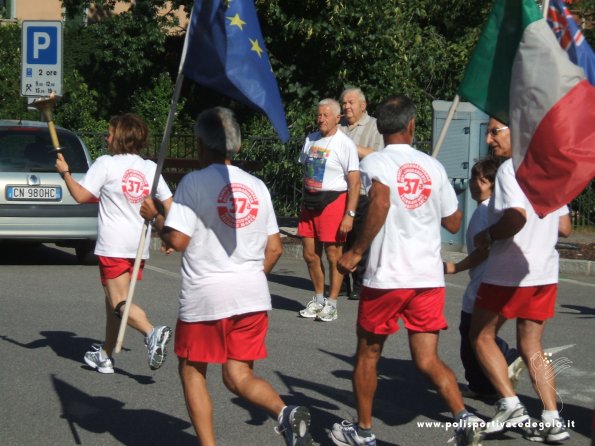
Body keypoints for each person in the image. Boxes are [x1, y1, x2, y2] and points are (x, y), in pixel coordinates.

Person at [141, 107, 314, 446]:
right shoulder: (258, 186)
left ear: (202, 144)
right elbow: (275, 248)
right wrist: (249, 276)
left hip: (206, 295)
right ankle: (284, 413)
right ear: (236, 145)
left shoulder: (192, 183)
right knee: (238, 375)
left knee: (192, 370)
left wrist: (155, 216)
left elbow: (177, 240)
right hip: (251, 294)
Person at [331, 94, 483, 446]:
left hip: (387, 277)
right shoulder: (433, 167)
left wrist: (355, 252)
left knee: (368, 354)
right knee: (428, 359)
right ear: (411, 125)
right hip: (428, 278)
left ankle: (364, 432)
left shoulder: (377, 164)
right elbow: (454, 219)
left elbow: (381, 201)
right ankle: (463, 417)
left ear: (381, 127)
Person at [469, 117, 572, 442]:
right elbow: (565, 226)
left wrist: (488, 233)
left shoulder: (511, 170)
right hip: (543, 270)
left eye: (494, 131)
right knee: (531, 345)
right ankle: (552, 418)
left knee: (481, 335)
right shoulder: (548, 169)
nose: (489, 139)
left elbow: (515, 217)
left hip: (510, 271)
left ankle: (511, 404)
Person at [55, 113, 173, 374]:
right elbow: (169, 204)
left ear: (120, 137)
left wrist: (65, 174)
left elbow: (80, 195)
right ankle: (106, 355)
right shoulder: (149, 168)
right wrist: (168, 234)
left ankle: (151, 332)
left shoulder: (105, 164)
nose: (106, 137)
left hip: (113, 244)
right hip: (138, 246)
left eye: (109, 133)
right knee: (114, 303)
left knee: (118, 301)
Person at [444, 158, 517, 400]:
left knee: (471, 333)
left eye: (484, 180)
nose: (477, 184)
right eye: (475, 178)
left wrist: (456, 267)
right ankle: (492, 373)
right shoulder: (488, 209)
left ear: (495, 185)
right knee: (480, 331)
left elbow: (482, 250)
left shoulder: (485, 211)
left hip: (484, 279)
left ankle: (495, 368)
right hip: (487, 277)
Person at [297, 98, 360, 322]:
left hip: (333, 203)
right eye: (319, 115)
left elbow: (354, 182)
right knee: (310, 254)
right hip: (310, 202)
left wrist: (349, 215)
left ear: (337, 117)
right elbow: (306, 170)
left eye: (325, 115)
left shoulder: (345, 144)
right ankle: (318, 299)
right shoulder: (311, 139)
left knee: (334, 256)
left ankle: (332, 303)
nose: (321, 119)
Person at [339, 87, 384, 300]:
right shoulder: (338, 127)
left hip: (365, 191)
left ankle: (360, 283)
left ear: (363, 105)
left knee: (360, 238)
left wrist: (348, 146)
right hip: (340, 192)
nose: (346, 106)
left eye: (351, 102)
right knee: (341, 239)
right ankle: (340, 281)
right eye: (344, 103)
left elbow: (378, 154)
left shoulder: (375, 126)